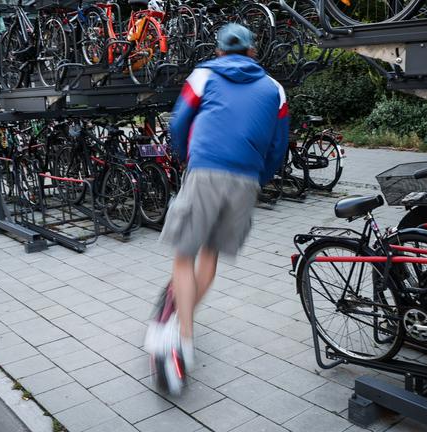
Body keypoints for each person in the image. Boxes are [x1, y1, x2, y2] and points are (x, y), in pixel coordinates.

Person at [144, 23, 289, 395]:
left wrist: (187, 156)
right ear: (253, 51)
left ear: (220, 50)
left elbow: (179, 122)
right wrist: (258, 175)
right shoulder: (274, 89)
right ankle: (181, 323)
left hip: (206, 169)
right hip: (246, 179)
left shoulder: (204, 74)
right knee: (209, 257)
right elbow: (278, 145)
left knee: (183, 256)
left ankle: (181, 338)